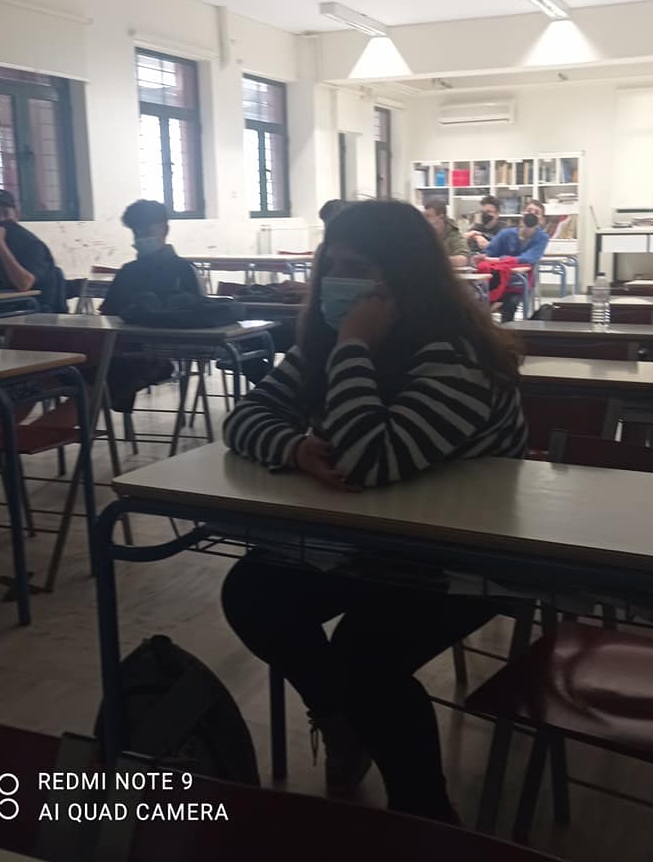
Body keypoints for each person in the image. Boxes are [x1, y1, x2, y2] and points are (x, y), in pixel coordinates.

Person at [220, 200, 526, 823]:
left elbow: (369, 460)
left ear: (404, 276)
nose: (338, 282)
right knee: (252, 592)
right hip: (373, 540)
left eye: (357, 269)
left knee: (366, 658)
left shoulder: (457, 355)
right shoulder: (326, 342)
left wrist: (354, 346)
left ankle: (424, 817)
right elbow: (245, 418)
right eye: (331, 266)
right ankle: (342, 722)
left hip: (465, 555)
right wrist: (295, 448)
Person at [100, 200, 203, 316]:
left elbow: (200, 316)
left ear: (165, 230)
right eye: (136, 233)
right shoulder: (127, 271)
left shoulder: (185, 270)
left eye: (147, 232)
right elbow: (108, 314)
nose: (141, 238)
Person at [473, 210, 550, 322]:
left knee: (511, 303)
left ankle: (506, 328)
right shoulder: (506, 234)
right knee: (478, 300)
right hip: (496, 280)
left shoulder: (542, 237)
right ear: (522, 220)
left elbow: (530, 257)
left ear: (540, 220)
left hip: (518, 284)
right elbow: (489, 253)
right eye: (529, 211)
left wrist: (501, 260)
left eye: (536, 213)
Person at [422, 199, 469, 267]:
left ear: (441, 217)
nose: (425, 220)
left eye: (428, 216)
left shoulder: (453, 234)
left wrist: (438, 260)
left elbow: (463, 260)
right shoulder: (422, 233)